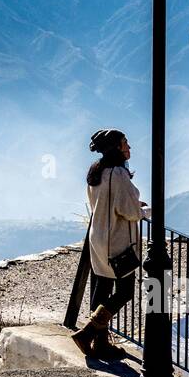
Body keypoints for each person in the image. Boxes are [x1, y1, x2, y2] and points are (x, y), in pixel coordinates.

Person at [71, 128, 145, 359]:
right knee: (125, 291)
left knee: (102, 289)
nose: (129, 147)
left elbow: (105, 203)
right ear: (116, 148)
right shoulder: (118, 174)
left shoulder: (96, 171)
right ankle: (88, 333)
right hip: (117, 242)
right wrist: (147, 210)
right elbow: (130, 212)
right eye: (125, 143)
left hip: (97, 238)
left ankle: (101, 345)